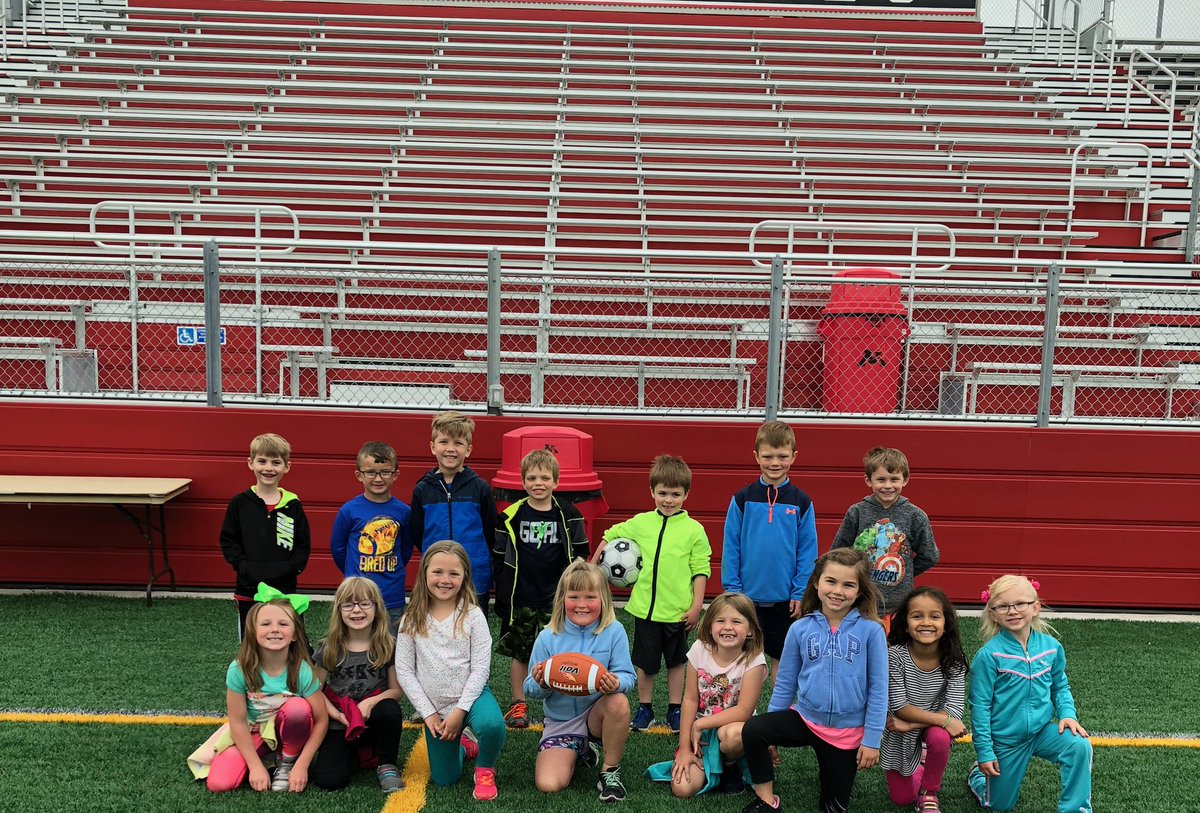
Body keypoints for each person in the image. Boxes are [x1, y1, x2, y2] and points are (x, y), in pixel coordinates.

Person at [738, 548, 887, 813]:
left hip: (847, 732)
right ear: (817, 582)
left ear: (860, 591)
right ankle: (766, 801)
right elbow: (785, 683)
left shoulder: (872, 630)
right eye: (831, 581)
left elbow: (878, 689)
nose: (837, 591)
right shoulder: (799, 628)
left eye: (848, 584)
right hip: (806, 719)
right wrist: (773, 733)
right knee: (754, 730)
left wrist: (872, 740)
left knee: (832, 808)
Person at [594, 454, 710, 734]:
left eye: (675, 494)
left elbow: (700, 570)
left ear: (686, 495)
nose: (668, 500)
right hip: (645, 609)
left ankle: (674, 709)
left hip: (677, 612)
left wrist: (696, 607)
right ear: (652, 492)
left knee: (677, 663)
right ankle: (644, 707)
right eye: (662, 493)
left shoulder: (694, 530)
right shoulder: (641, 522)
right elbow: (612, 533)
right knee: (645, 665)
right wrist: (592, 561)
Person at [969, 575, 1092, 813]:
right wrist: (985, 751)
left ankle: (1076, 809)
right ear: (993, 613)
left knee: (1079, 746)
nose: (1013, 611)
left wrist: (1068, 714)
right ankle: (976, 777)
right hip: (1005, 741)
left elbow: (1060, 686)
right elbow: (980, 706)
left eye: (1020, 604)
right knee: (998, 806)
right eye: (1003, 606)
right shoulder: (988, 655)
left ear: (1035, 607)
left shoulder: (1051, 648)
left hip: (1041, 732)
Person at [395, 540, 507, 801]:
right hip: (435, 707)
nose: (445, 580)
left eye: (453, 573)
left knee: (492, 725)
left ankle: (485, 769)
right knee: (445, 780)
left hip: (472, 698)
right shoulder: (411, 618)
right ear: (424, 573)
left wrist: (460, 712)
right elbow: (404, 670)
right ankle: (465, 749)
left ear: (464, 576)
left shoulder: (473, 615)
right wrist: (429, 713)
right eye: (437, 572)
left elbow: (480, 669)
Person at [188, 587, 328, 793]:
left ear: (295, 635)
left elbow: (321, 719)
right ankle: (262, 760)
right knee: (219, 784)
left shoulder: (302, 670)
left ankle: (286, 762)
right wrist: (254, 767)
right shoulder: (239, 669)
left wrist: (302, 765)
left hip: (287, 735)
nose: (274, 629)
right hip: (253, 731)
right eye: (265, 624)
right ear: (253, 632)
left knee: (298, 708)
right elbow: (237, 721)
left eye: (283, 624)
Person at [493, 448, 589, 730]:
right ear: (522, 482)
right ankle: (518, 704)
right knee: (520, 653)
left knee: (561, 650)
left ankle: (562, 702)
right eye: (532, 478)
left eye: (545, 478)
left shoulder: (569, 515)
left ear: (556, 482)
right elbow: (499, 557)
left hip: (557, 600)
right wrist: (503, 593)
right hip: (521, 596)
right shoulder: (511, 516)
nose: (539, 483)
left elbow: (581, 553)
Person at [525, 559, 636, 803]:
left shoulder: (614, 631)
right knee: (549, 784)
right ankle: (581, 750)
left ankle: (609, 771)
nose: (582, 605)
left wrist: (615, 683)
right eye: (574, 597)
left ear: (603, 599)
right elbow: (529, 688)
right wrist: (541, 682)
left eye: (590, 597)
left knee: (618, 701)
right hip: (561, 722)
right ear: (562, 599)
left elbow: (629, 677)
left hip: (597, 716)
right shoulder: (548, 637)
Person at [722, 420, 817, 685]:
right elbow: (731, 546)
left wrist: (800, 591)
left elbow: (807, 552)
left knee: (782, 659)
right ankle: (737, 713)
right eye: (768, 456)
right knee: (740, 658)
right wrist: (732, 589)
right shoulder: (742, 499)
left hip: (785, 600)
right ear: (756, 457)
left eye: (782, 456)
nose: (775, 463)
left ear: (794, 457)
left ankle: (777, 716)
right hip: (746, 598)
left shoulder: (802, 502)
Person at [646, 592, 767, 798]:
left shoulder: (754, 660)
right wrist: (684, 748)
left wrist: (700, 724)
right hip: (700, 735)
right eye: (720, 621)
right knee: (683, 789)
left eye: (736, 621)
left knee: (731, 736)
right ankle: (709, 762)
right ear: (710, 627)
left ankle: (730, 765)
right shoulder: (699, 649)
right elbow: (690, 699)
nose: (728, 627)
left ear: (751, 631)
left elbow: (744, 711)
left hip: (734, 727)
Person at [311, 577, 405, 794]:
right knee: (330, 781)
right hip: (340, 722)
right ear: (339, 610)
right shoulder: (329, 647)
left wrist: (370, 702)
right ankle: (355, 751)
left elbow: (396, 691)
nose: (356, 610)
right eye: (348, 604)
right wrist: (335, 715)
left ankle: (387, 764)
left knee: (389, 708)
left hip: (373, 720)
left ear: (376, 608)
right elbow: (314, 689)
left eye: (364, 603)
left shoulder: (388, 645)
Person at [879, 587, 967, 813]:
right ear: (906, 624)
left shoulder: (952, 659)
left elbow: (954, 710)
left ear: (945, 624)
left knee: (939, 737)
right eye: (917, 616)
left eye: (934, 616)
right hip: (897, 730)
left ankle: (929, 792)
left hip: (922, 726)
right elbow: (899, 706)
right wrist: (940, 721)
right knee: (903, 799)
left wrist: (912, 724)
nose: (926, 622)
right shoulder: (895, 656)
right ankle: (921, 759)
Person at [832, 447, 939, 630]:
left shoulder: (916, 516)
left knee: (894, 652)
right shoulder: (857, 512)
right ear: (868, 480)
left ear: (905, 479)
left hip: (899, 604)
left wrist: (905, 572)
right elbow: (838, 553)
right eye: (881, 479)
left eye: (894, 479)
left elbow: (930, 555)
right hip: (860, 602)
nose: (887, 485)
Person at [219, 433, 312, 640]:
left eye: (276, 462)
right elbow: (228, 540)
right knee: (251, 642)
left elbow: (303, 545)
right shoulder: (240, 503)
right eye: (262, 461)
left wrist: (291, 568)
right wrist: (243, 566)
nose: (268, 468)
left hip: (285, 589)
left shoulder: (292, 505)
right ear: (250, 463)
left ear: (287, 466)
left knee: (292, 642)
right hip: (248, 589)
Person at [411, 411, 498, 614]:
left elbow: (491, 532)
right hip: (437, 577)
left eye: (458, 443)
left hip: (474, 575)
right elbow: (417, 533)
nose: (450, 449)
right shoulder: (422, 490)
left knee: (474, 630)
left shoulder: (479, 488)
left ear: (468, 450)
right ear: (433, 446)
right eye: (444, 442)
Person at [330, 440, 414, 630]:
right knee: (357, 643)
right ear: (359, 475)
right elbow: (338, 549)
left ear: (395, 475)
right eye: (371, 473)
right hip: (358, 596)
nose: (378, 479)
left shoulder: (403, 512)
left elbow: (406, 549)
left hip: (391, 596)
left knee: (391, 645)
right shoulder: (349, 510)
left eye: (385, 472)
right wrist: (353, 572)